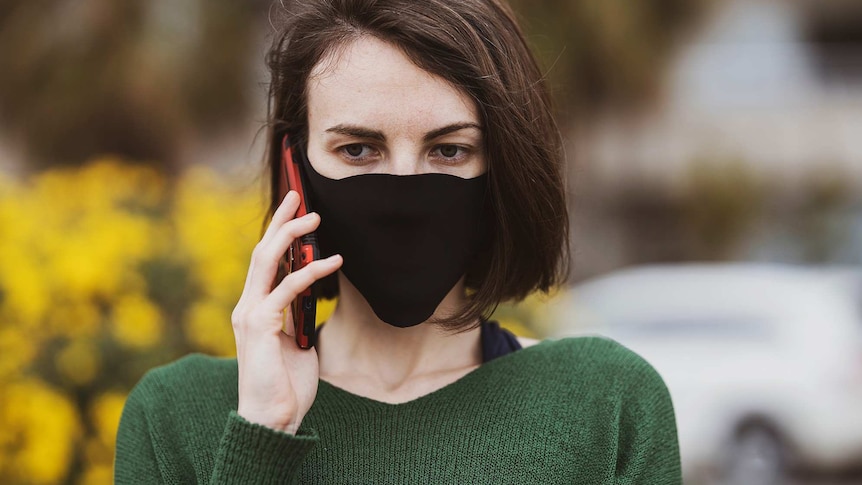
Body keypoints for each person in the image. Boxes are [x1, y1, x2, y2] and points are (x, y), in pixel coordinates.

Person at [114, 0, 681, 483]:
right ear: (296, 171)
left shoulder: (605, 403)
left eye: (449, 150)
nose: (405, 189)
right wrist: (263, 435)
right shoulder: (174, 417)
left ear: (503, 169)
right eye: (358, 150)